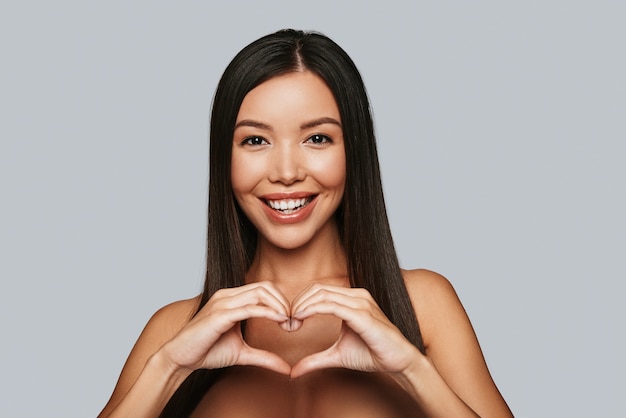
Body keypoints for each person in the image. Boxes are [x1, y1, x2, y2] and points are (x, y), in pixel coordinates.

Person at [98, 29, 513, 417]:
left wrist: (411, 368)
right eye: (255, 140)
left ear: (354, 152)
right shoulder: (175, 328)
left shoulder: (422, 305)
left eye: (317, 138)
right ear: (225, 159)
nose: (286, 171)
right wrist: (168, 367)